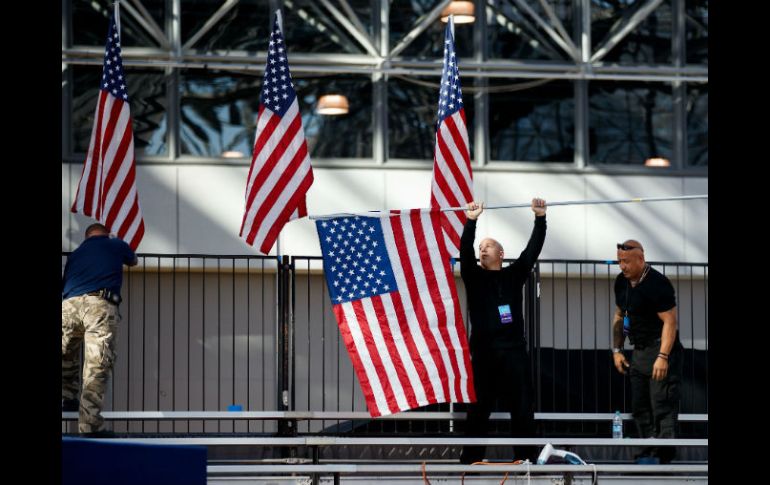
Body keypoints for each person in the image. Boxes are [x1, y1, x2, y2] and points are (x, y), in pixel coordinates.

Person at [459, 199, 547, 464]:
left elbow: (532, 251)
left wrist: (540, 218)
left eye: (488, 246)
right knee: (478, 410)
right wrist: (471, 221)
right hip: (484, 353)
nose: (482, 249)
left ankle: (525, 459)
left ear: (501, 253)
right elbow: (464, 251)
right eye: (480, 247)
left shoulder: (514, 275)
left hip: (513, 352)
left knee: (522, 408)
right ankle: (471, 460)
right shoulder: (473, 276)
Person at [62, 223, 138, 435]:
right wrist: (116, 242)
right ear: (106, 234)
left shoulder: (76, 253)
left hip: (68, 305)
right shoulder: (115, 244)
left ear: (87, 237)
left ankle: (67, 398)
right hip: (98, 304)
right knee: (97, 364)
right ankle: (90, 425)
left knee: (66, 354)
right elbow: (133, 260)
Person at [612, 240, 683, 463]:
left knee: (661, 402)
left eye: (626, 262)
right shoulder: (621, 282)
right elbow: (621, 316)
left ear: (641, 260)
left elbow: (670, 322)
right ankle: (648, 450)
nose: (622, 266)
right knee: (640, 406)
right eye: (619, 262)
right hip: (639, 350)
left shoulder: (657, 283)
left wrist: (663, 357)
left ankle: (664, 457)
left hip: (661, 347)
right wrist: (617, 349)